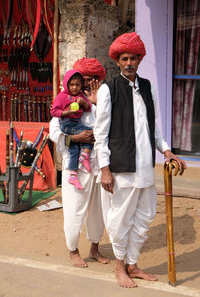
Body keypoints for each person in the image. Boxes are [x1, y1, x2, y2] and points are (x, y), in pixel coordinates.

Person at [94, 32, 186, 288]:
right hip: (121, 167)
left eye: (133, 58)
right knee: (121, 218)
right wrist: (105, 169)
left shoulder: (147, 87)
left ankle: (133, 265)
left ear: (139, 59)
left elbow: (153, 127)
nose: (129, 63)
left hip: (145, 167)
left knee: (145, 216)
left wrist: (166, 150)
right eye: (124, 58)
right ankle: (120, 267)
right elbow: (100, 134)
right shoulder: (107, 89)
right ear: (118, 61)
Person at [49, 57, 109, 268]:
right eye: (83, 79)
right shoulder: (65, 99)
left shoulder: (101, 101)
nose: (86, 83)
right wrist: (76, 138)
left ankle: (94, 248)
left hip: (97, 165)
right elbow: (53, 132)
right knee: (74, 209)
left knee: (97, 210)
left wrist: (96, 103)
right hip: (74, 168)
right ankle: (73, 250)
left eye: (91, 79)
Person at [51, 70, 93, 190]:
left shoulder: (81, 96)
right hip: (67, 124)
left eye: (78, 85)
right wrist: (67, 112)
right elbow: (54, 112)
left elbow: (88, 108)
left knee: (73, 150)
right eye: (72, 85)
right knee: (89, 132)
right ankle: (85, 155)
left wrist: (84, 103)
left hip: (74, 124)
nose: (75, 87)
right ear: (66, 84)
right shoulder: (61, 96)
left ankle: (73, 175)